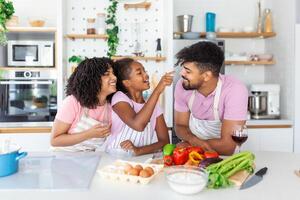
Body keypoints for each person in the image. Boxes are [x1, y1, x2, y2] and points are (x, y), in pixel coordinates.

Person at [174, 41, 248, 155]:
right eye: (183, 68)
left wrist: (189, 144)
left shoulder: (235, 90)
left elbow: (228, 147)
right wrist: (194, 140)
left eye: (188, 71)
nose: (182, 74)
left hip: (225, 159)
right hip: (193, 156)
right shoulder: (183, 85)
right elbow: (180, 126)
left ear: (206, 76)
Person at [105, 58, 173, 156]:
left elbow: (165, 142)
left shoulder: (154, 105)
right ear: (127, 83)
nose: (146, 75)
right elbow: (138, 125)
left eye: (144, 71)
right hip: (115, 158)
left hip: (142, 160)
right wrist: (157, 90)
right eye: (139, 73)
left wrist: (139, 150)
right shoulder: (119, 98)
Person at [51, 57, 117, 151]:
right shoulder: (72, 102)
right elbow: (55, 140)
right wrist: (88, 134)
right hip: (62, 159)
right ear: (92, 79)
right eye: (107, 74)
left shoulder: (111, 107)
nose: (114, 78)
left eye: (113, 73)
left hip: (88, 160)